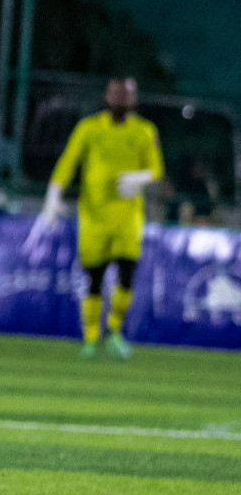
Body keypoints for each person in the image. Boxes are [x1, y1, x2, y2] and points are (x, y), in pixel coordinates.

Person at [29, 77, 164, 358]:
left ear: (134, 99)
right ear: (107, 97)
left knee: (126, 274)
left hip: (127, 217)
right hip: (93, 216)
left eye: (126, 95)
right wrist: (53, 197)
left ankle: (115, 330)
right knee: (94, 277)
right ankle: (91, 337)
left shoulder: (144, 131)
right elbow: (68, 161)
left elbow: (156, 169)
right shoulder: (89, 128)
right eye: (116, 95)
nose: (121, 101)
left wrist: (140, 178)